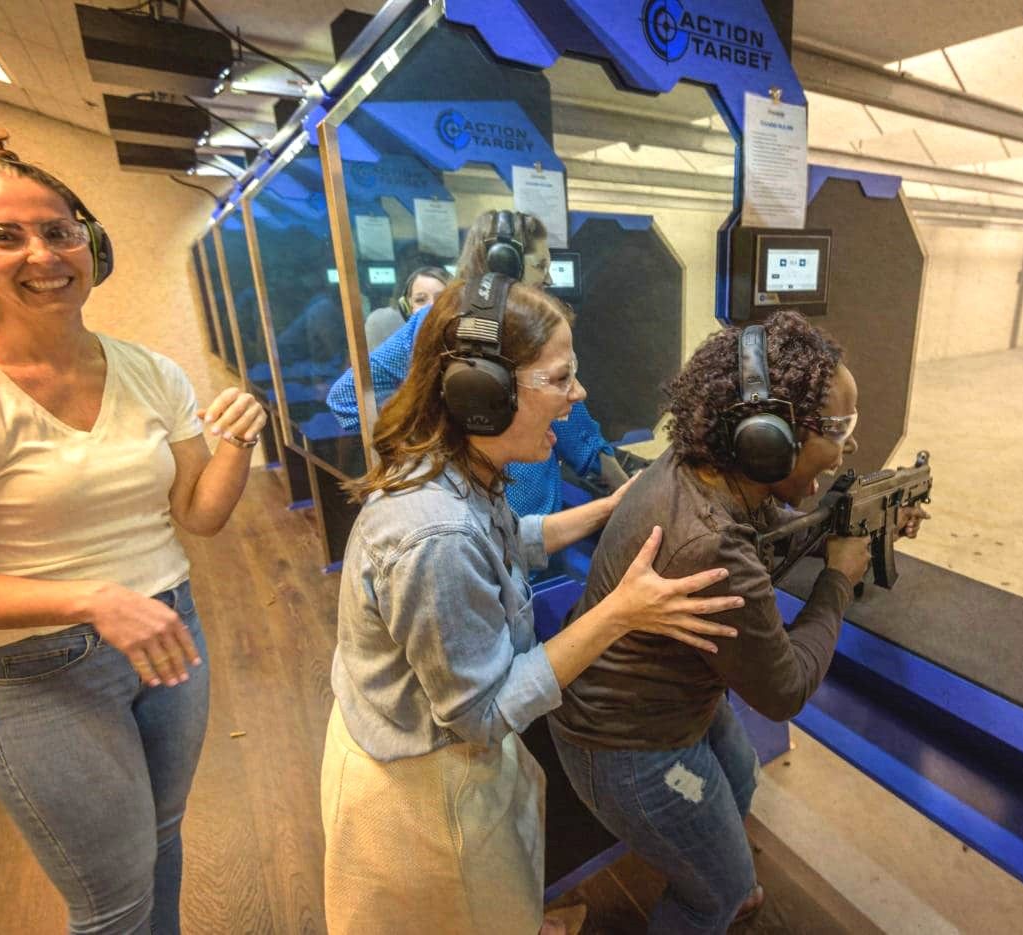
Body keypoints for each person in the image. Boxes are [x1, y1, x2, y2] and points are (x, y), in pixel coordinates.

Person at [320, 273, 745, 934]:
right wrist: (620, 613)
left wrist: (604, 508)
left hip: (439, 758)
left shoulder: (455, 474)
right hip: (423, 790)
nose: (577, 395)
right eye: (559, 378)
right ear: (480, 397)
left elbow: (502, 539)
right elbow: (483, 713)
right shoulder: (434, 535)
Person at [0, 126, 267, 933]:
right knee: (111, 904)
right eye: (4, 237)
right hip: (38, 670)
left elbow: (199, 514)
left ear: (91, 243)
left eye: (58, 231)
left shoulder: (151, 369)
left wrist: (239, 441)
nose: (44, 254)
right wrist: (92, 599)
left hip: (168, 632)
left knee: (160, 843)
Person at [547, 312, 928, 933]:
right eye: (837, 430)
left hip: (664, 707)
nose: (847, 447)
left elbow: (768, 530)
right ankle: (709, 896)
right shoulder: (710, 543)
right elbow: (783, 690)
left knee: (741, 781)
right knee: (715, 892)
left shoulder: (693, 467)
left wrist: (853, 516)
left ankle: (710, 876)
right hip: (626, 744)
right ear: (766, 440)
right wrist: (840, 576)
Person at [326, 210, 629, 517]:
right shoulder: (432, 325)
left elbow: (575, 431)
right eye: (540, 266)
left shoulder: (526, 335)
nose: (548, 278)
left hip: (532, 532)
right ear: (503, 263)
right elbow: (348, 397)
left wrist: (627, 497)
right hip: (481, 524)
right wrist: (440, 417)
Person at [362, 265, 450, 349]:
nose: (431, 307)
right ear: (406, 308)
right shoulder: (398, 350)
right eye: (420, 300)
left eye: (441, 298)